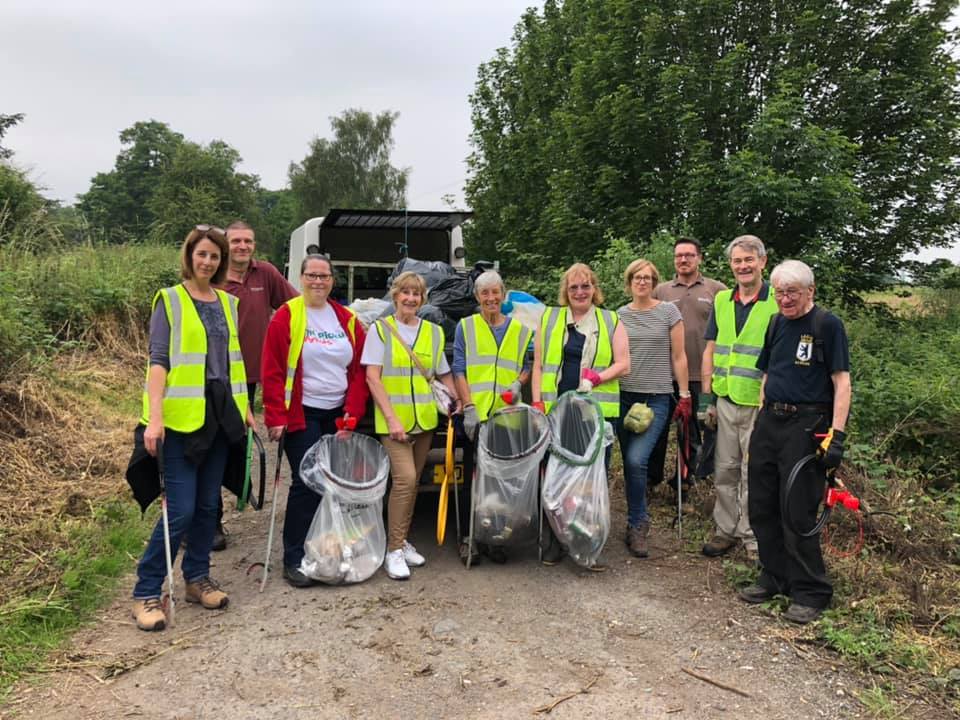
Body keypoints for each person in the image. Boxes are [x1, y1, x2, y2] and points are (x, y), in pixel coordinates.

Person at [132, 224, 254, 631]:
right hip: (180, 422)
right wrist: (155, 418)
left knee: (206, 508)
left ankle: (196, 579)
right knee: (180, 511)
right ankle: (147, 591)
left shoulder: (227, 303)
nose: (208, 261)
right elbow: (158, 360)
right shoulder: (169, 300)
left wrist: (245, 409)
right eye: (202, 254)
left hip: (219, 420)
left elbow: (233, 361)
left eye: (214, 256)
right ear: (190, 256)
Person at [740, 260, 851, 624]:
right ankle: (774, 576)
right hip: (771, 420)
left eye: (792, 292)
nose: (785, 299)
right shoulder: (775, 323)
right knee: (761, 502)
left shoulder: (826, 325)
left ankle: (810, 591)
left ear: (810, 291)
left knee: (797, 509)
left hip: (808, 425)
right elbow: (768, 372)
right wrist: (761, 416)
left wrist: (837, 434)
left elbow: (841, 381)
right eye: (779, 292)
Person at [261, 254, 368, 588]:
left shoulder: (347, 319)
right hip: (302, 412)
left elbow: (361, 370)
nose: (318, 282)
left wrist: (352, 411)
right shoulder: (287, 316)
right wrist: (275, 415)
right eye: (312, 275)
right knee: (307, 483)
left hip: (337, 414)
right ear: (301, 277)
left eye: (324, 276)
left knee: (336, 485)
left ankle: (326, 551)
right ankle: (294, 558)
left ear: (332, 280)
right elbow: (273, 369)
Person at [363, 271, 461, 580]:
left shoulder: (433, 332)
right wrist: (391, 417)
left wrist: (455, 399)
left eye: (416, 294)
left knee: (415, 481)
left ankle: (402, 541)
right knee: (404, 480)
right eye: (405, 292)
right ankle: (392, 550)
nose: (410, 298)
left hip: (425, 420)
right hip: (395, 423)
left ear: (422, 299)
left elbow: (441, 373)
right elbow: (372, 377)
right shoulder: (381, 330)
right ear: (395, 296)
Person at [532, 262, 629, 565]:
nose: (580, 291)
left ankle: (587, 541)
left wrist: (598, 378)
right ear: (566, 291)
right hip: (556, 411)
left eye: (585, 285)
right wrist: (537, 402)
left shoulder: (611, 320)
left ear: (594, 289)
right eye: (573, 287)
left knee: (588, 480)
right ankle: (553, 541)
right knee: (554, 476)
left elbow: (624, 363)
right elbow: (537, 366)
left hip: (593, 414)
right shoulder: (549, 318)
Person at [213, 220, 297, 550]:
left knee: (239, 446)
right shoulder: (213, 275)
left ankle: (231, 494)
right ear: (225, 244)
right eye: (236, 241)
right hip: (218, 377)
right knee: (216, 447)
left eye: (248, 241)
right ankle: (211, 522)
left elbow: (294, 306)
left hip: (251, 378)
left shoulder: (265, 274)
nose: (243, 246)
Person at [700, 235, 778, 562]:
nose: (743, 266)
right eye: (737, 261)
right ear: (731, 265)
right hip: (725, 399)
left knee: (755, 472)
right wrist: (707, 399)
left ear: (762, 262)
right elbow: (710, 349)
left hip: (759, 403)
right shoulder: (721, 300)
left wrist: (769, 397)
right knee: (725, 469)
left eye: (749, 260)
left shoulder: (777, 301)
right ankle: (725, 530)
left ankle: (755, 538)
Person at [453, 270, 533, 565]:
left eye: (495, 293)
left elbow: (528, 363)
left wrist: (519, 382)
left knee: (501, 481)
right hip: (477, 416)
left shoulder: (521, 330)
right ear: (477, 297)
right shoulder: (466, 327)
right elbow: (459, 369)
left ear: (503, 294)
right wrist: (469, 406)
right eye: (484, 294)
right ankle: (468, 538)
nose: (490, 299)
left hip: (507, 417)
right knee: (471, 479)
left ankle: (496, 535)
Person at [617, 259, 690, 558]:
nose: (642, 282)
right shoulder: (619, 315)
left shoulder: (668, 312)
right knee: (626, 461)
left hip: (656, 397)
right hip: (623, 396)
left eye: (648, 278)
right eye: (637, 277)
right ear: (629, 281)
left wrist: (684, 394)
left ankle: (638, 524)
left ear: (654, 282)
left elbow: (679, 356)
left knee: (636, 461)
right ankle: (630, 519)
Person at [649, 237, 726, 490]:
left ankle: (685, 480)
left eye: (689, 255)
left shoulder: (716, 290)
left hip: (703, 376)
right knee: (658, 429)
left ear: (699, 258)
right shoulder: (661, 291)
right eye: (678, 255)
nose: (683, 260)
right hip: (665, 375)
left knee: (695, 431)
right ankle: (652, 478)